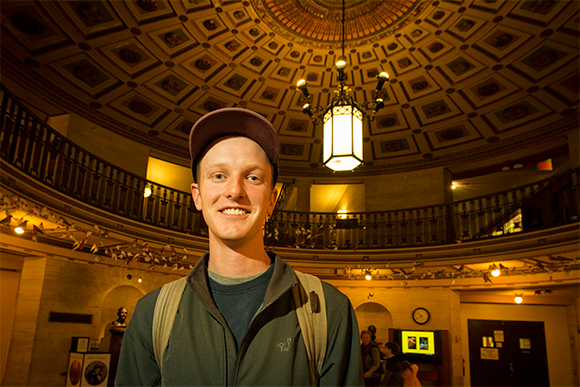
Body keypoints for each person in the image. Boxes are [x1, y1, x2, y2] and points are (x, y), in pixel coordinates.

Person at [116, 108, 364, 386]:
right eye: (219, 175)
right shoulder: (151, 315)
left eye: (253, 177)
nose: (235, 190)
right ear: (197, 196)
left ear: (271, 199)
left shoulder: (328, 311)